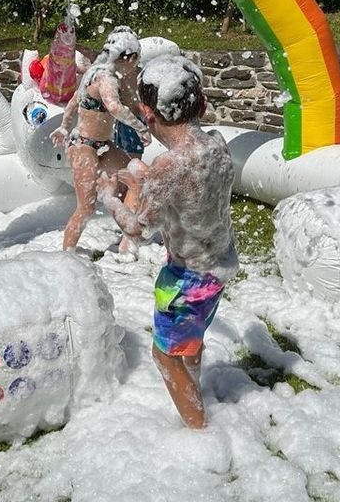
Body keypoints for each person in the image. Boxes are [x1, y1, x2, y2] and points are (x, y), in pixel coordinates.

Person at [97, 54, 238, 429]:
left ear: (147, 112)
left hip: (186, 280)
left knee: (165, 356)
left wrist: (109, 197)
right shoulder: (217, 145)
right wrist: (143, 177)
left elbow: (139, 231)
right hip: (218, 267)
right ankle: (196, 393)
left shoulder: (169, 167)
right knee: (190, 341)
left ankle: (200, 432)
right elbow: (190, 195)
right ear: (202, 105)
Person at [50, 26, 150, 252]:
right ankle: (66, 256)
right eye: (136, 60)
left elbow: (75, 102)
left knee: (134, 178)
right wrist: (141, 129)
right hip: (84, 146)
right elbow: (114, 107)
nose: (135, 66)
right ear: (130, 57)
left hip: (103, 146)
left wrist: (64, 127)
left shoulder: (93, 72)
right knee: (86, 208)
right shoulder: (107, 78)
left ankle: (127, 240)